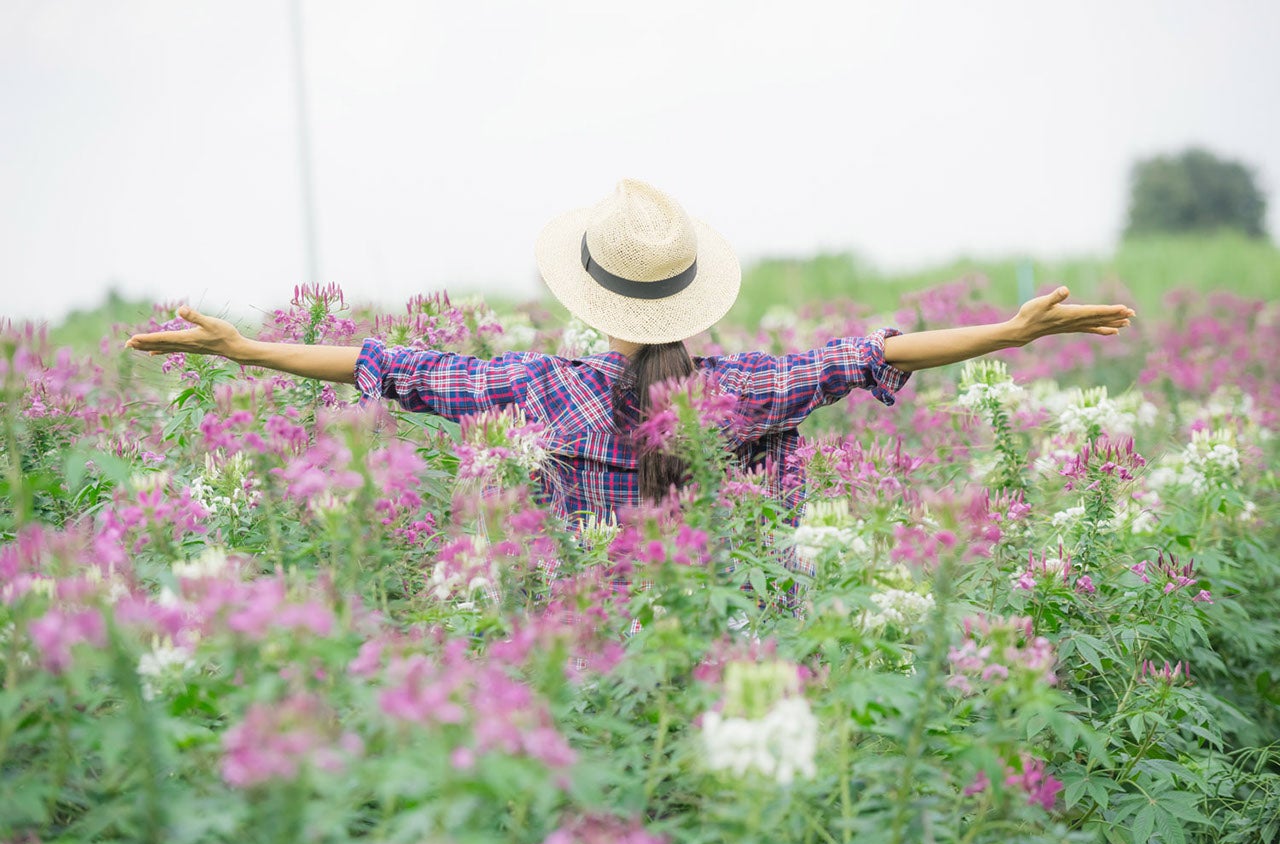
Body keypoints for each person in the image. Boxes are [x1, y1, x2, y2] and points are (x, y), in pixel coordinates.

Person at [126, 179, 1135, 526]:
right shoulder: (743, 386)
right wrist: (1009, 330)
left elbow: (381, 364)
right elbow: (869, 350)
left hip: (590, 648)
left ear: (592, 297)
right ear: (692, 297)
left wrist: (240, 347)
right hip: (743, 645)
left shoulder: (536, 386)